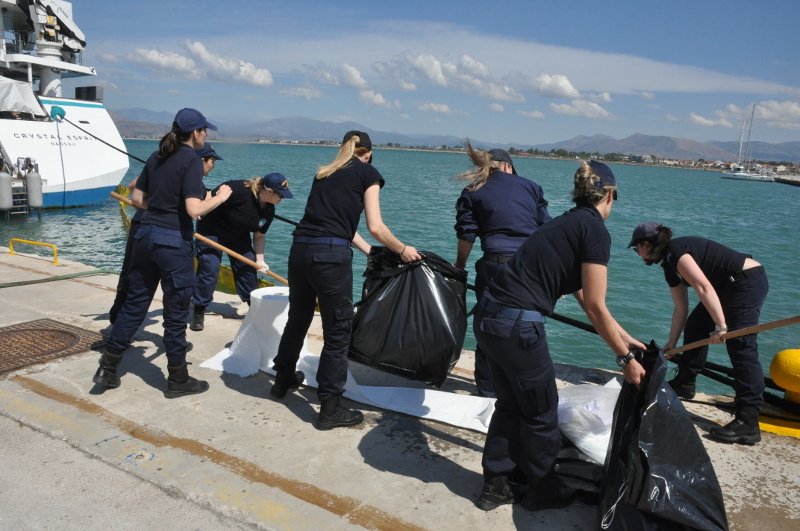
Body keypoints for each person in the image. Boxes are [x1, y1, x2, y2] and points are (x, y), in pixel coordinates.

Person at [473, 160, 646, 511]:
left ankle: (497, 484)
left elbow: (586, 298)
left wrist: (622, 336)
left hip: (488, 315)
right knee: (542, 411)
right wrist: (625, 360)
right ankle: (541, 489)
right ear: (610, 195)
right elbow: (596, 305)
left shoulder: (565, 223)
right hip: (516, 324)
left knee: (510, 404)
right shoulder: (595, 230)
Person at [270, 130, 422, 430]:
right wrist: (403, 250)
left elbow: (339, 223)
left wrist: (368, 252)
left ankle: (282, 380)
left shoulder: (324, 173)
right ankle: (330, 408)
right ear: (369, 154)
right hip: (329, 258)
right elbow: (376, 226)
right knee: (338, 330)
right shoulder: (368, 173)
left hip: (300, 250)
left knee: (298, 319)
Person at [92, 108, 232, 398]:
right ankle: (178, 379)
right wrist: (219, 197)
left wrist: (163, 206)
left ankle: (107, 369)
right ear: (196, 134)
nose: (206, 136)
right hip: (171, 243)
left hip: (144, 236)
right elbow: (194, 209)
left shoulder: (157, 156)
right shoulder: (192, 161)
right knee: (176, 310)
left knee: (135, 305)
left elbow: (137, 199)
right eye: (205, 132)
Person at [629, 221, 769, 445]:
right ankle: (686, 383)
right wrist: (671, 343)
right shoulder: (668, 265)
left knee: (741, 345)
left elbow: (703, 287)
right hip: (726, 286)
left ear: (646, 244)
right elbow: (680, 308)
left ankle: (748, 421)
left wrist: (721, 326)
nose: (638, 254)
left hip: (745, 281)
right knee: (695, 326)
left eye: (637, 249)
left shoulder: (675, 251)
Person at [454, 142, 551, 397]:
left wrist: (460, 266)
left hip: (496, 266)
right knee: (529, 325)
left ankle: (487, 392)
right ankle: (525, 387)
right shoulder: (532, 188)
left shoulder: (473, 190)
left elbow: (467, 235)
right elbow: (548, 233)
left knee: (488, 327)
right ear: (509, 166)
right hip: (532, 268)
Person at [110, 143, 220, 327]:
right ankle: (175, 335)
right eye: (212, 162)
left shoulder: (162, 166)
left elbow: (132, 186)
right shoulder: (193, 182)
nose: (213, 166)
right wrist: (215, 198)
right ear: (200, 160)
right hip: (168, 234)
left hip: (141, 226)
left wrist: (151, 205)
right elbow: (197, 211)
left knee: (131, 275)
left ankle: (117, 322)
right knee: (176, 286)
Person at [190, 171, 294, 331]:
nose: (282, 199)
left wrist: (260, 260)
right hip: (211, 230)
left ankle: (254, 306)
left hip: (238, 234)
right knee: (210, 267)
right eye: (280, 195)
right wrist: (199, 210)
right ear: (269, 191)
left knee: (248, 267)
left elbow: (259, 236)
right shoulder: (237, 189)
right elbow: (210, 196)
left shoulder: (268, 211)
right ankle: (199, 308)